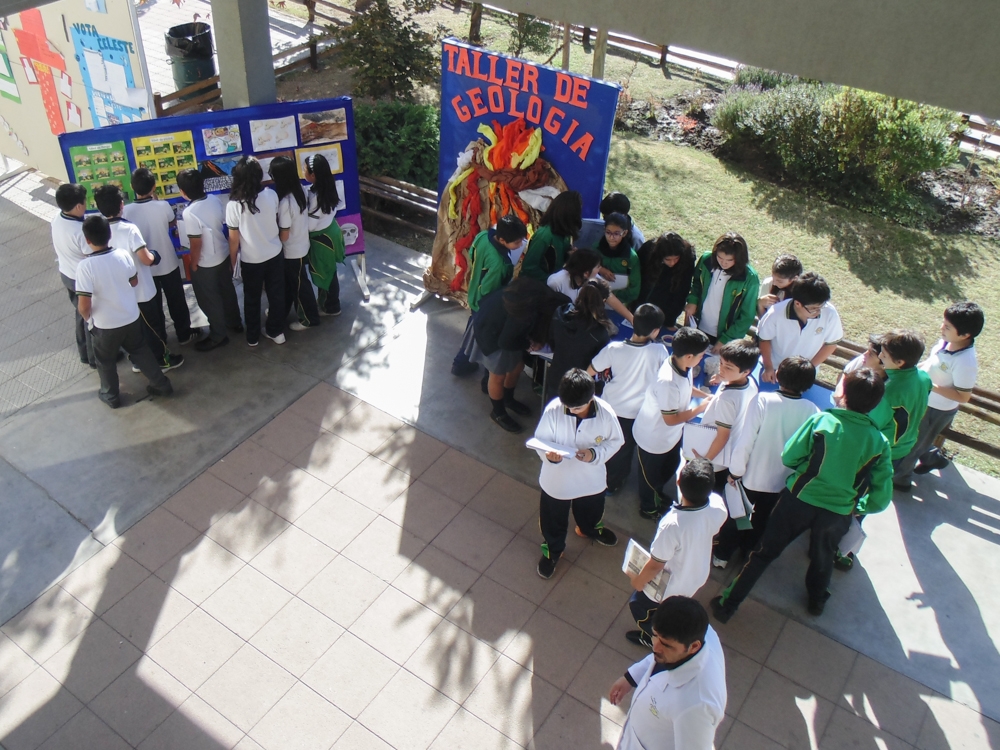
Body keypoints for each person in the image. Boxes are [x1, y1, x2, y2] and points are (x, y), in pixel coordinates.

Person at [711, 368, 893, 621]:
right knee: (823, 556)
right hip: (838, 512)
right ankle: (816, 601)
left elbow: (790, 456)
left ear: (845, 395)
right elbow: (881, 495)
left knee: (763, 553)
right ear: (876, 403)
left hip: (798, 502)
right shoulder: (880, 442)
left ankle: (728, 603)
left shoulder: (822, 422)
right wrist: (858, 506)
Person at [715, 356, 819, 568]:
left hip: (751, 476)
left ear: (779, 375)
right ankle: (747, 552)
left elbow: (746, 440)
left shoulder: (763, 400)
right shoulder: (812, 411)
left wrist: (735, 471)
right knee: (762, 520)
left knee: (737, 516)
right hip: (781, 482)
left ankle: (722, 555)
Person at [625, 460, 727, 648]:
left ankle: (655, 640)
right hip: (697, 575)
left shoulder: (672, 525)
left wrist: (638, 582)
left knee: (639, 605)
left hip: (671, 586)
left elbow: (656, 564)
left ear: (678, 483)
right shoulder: (718, 505)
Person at [74, 215, 173, 408]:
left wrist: (89, 320)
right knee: (140, 350)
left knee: (105, 360)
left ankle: (110, 395)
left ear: (87, 240)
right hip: (130, 317)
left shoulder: (85, 267)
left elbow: (84, 305)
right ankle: (161, 385)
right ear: (109, 235)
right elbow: (134, 281)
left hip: (105, 325)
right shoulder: (122, 255)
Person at [533, 368, 623, 579]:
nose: (572, 411)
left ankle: (589, 529)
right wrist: (548, 456)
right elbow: (540, 440)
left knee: (591, 509)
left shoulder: (606, 413)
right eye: (568, 407)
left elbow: (616, 441)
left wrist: (594, 454)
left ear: (592, 397)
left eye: (578, 407)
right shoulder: (554, 409)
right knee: (553, 519)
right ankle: (553, 551)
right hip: (557, 480)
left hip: (590, 479)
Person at [610, 597, 726, 750]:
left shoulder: (695, 706)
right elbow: (657, 658)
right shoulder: (696, 633)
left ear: (694, 647)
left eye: (666, 644)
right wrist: (631, 678)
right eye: (655, 635)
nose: (655, 647)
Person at [93, 184, 183, 373]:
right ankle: (162, 361)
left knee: (135, 332)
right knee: (153, 328)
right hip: (141, 290)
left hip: (120, 294)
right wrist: (154, 255)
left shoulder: (99, 231)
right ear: (121, 205)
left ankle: (137, 361)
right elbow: (145, 259)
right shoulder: (128, 229)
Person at [895, 302, 984, 484]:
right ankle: (932, 457)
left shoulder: (966, 362)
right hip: (921, 400)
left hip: (935, 410)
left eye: (947, 326)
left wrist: (930, 385)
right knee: (911, 437)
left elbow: (963, 396)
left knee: (913, 444)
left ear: (965, 335)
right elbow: (930, 364)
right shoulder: (947, 342)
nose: (941, 327)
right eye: (944, 322)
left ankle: (900, 480)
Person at [632, 327, 713, 519]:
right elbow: (671, 419)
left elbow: (687, 387)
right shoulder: (668, 382)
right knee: (649, 478)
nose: (702, 358)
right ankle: (648, 508)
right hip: (652, 439)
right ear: (688, 356)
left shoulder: (684, 365)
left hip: (670, 437)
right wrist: (700, 408)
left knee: (669, 467)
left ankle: (657, 495)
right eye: (701, 355)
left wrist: (705, 395)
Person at [588, 303, 667, 493]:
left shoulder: (614, 349)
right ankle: (613, 483)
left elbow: (590, 371)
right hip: (637, 414)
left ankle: (596, 474)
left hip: (609, 407)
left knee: (603, 442)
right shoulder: (660, 352)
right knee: (623, 450)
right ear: (655, 331)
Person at [472, 277, 567, 432]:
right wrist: (529, 345)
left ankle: (508, 399)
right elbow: (505, 342)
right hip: (492, 333)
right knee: (497, 375)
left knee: (517, 367)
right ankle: (498, 412)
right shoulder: (525, 315)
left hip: (507, 331)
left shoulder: (542, 297)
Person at [123, 168, 197, 346]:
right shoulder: (163, 206)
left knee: (153, 306)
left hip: (143, 267)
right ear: (154, 186)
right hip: (168, 262)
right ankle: (184, 334)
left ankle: (160, 339)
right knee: (176, 300)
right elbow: (171, 221)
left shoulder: (126, 211)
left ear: (132, 187)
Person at [453, 215, 530, 377]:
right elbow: (490, 291)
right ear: (502, 240)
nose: (520, 245)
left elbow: (473, 254)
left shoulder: (482, 236)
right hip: (483, 304)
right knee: (480, 338)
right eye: (517, 242)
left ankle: (460, 363)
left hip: (474, 292)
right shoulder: (500, 264)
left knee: (471, 331)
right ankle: (464, 366)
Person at [177, 169, 242, 352]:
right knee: (227, 292)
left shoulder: (190, 212)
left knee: (209, 300)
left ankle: (218, 335)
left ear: (182, 191)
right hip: (222, 254)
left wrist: (193, 263)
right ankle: (235, 322)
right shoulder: (213, 200)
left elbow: (196, 243)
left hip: (206, 263)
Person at [226, 156, 287, 347]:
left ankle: (252, 337)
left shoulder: (234, 205)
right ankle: (276, 332)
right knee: (277, 295)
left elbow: (233, 239)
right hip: (274, 254)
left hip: (251, 260)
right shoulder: (271, 195)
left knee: (251, 299)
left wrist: (232, 261)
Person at [696, 339, 760, 491]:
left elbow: (722, 435)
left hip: (713, 458)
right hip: (728, 456)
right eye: (721, 363)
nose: (721, 369)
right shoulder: (750, 382)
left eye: (728, 367)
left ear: (746, 371)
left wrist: (704, 462)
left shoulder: (727, 400)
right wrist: (722, 378)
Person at [757, 272, 843, 384]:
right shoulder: (776, 313)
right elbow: (764, 339)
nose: (819, 312)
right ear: (798, 303)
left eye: (822, 306)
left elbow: (831, 344)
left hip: (805, 374)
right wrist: (768, 367)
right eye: (814, 308)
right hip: (775, 370)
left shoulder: (830, 313)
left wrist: (809, 368)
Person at [684, 233, 759, 355]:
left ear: (740, 258)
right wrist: (692, 300)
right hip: (697, 326)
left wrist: (726, 339)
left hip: (723, 337)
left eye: (729, 260)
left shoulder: (750, 279)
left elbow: (747, 316)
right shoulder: (706, 260)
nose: (723, 263)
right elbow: (696, 282)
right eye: (720, 258)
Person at [269, 155, 320, 331]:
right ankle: (281, 312)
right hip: (301, 245)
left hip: (292, 251)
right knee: (293, 282)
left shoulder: (285, 202)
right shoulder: (300, 189)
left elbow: (284, 235)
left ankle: (309, 318)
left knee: (299, 286)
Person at [545, 281, 616, 403]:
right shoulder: (599, 333)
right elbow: (600, 365)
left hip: (556, 378)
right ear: (603, 301)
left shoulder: (560, 312)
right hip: (580, 388)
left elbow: (552, 340)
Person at [51, 183, 95, 366]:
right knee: (90, 318)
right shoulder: (80, 232)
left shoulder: (57, 219)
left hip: (66, 274)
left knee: (79, 315)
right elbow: (93, 254)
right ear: (78, 206)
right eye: (84, 202)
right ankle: (95, 358)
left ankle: (84, 353)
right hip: (81, 280)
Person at [303, 154, 346, 318]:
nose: (303, 172)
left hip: (322, 239)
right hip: (330, 232)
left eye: (305, 169)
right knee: (329, 271)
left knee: (326, 273)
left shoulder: (317, 197)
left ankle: (332, 306)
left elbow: (311, 225)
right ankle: (327, 302)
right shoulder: (327, 186)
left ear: (313, 175)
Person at [518, 189, 582, 282]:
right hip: (535, 286)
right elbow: (529, 267)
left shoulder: (565, 234)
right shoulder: (544, 236)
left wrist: (570, 255)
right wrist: (552, 281)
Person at [637, 232, 697, 331]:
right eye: (668, 259)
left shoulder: (688, 256)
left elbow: (682, 291)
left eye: (676, 258)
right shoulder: (648, 250)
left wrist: (670, 321)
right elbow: (638, 277)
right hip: (647, 291)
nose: (672, 263)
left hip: (670, 294)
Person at [595, 212, 641, 308]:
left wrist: (612, 295)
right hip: (596, 299)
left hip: (620, 304)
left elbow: (634, 290)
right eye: (608, 232)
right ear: (604, 230)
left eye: (616, 233)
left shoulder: (631, 257)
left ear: (624, 233)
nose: (611, 237)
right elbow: (586, 268)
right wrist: (599, 269)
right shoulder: (596, 248)